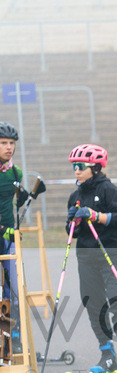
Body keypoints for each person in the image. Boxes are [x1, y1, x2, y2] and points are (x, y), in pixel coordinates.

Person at [65, 143, 117, 373]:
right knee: (92, 302)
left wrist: (96, 216)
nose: (76, 170)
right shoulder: (75, 196)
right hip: (86, 255)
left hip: (111, 250)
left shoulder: (109, 190)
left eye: (81, 166)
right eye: (74, 166)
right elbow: (71, 231)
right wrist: (73, 222)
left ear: (95, 168)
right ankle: (107, 353)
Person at [0, 121, 29, 353]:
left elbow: (15, 203)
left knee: (11, 290)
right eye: (3, 143)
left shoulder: (15, 172)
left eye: (11, 143)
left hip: (9, 237)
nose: (9, 147)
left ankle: (12, 338)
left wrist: (23, 197)